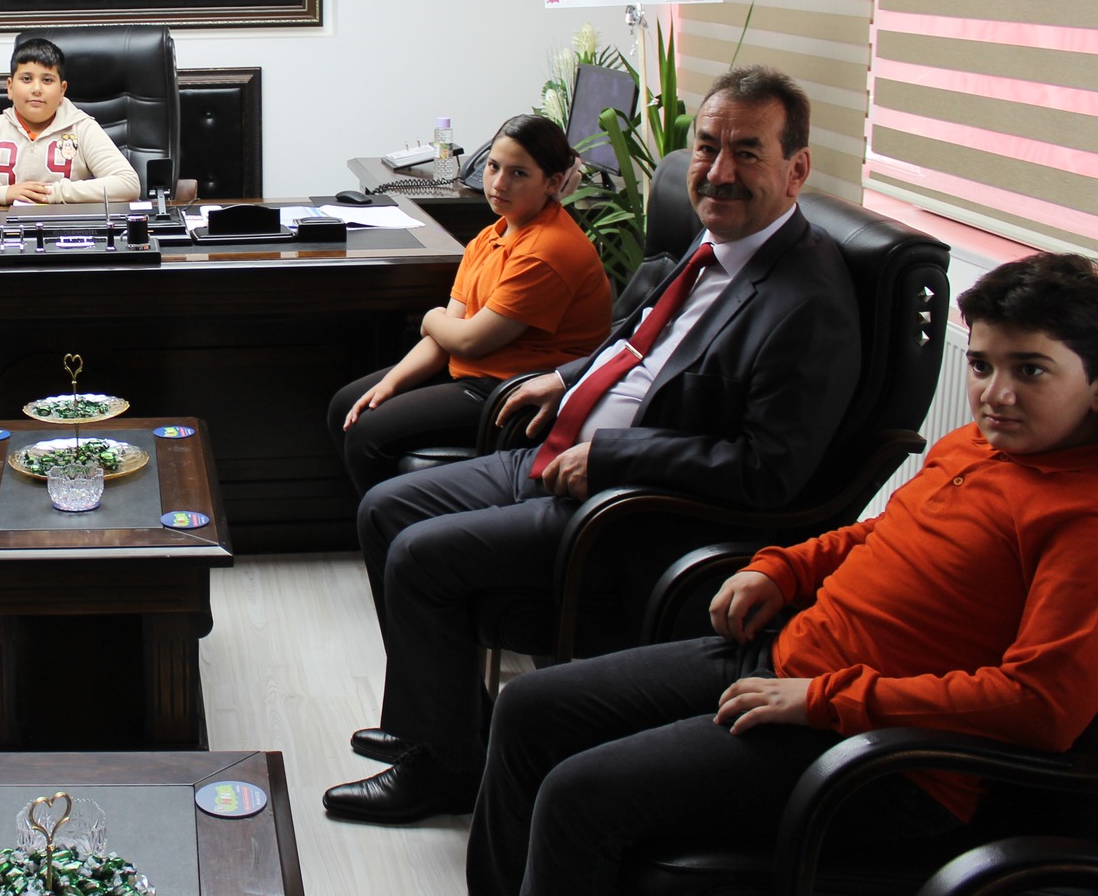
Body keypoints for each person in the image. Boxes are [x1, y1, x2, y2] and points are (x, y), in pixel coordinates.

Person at [465, 251, 1098, 896]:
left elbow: (1041, 706)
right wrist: (786, 569)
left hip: (886, 756)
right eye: (982, 365)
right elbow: (887, 533)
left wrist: (824, 700)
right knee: (528, 708)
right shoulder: (976, 446)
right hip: (788, 660)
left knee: (577, 796)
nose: (996, 395)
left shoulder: (1082, 519)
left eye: (1031, 370)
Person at [324, 65, 861, 824]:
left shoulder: (805, 300)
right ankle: (446, 724)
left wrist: (611, 457)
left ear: (796, 168)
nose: (718, 171)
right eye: (708, 147)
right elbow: (637, 346)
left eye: (747, 152)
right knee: (385, 508)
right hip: (563, 447)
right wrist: (564, 376)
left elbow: (768, 470)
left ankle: (442, 768)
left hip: (626, 502)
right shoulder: (710, 249)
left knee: (418, 553)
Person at [328, 113, 610, 492]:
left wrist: (430, 318)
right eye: (493, 167)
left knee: (368, 433)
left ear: (554, 183)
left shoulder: (547, 251)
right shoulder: (491, 236)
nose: (498, 183)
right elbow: (447, 338)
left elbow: (468, 340)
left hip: (510, 388)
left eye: (518, 173)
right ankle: (374, 515)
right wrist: (391, 384)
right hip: (472, 370)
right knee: (346, 405)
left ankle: (389, 520)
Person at [0, 36, 141, 206]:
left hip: (64, 230)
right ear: (10, 87)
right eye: (26, 79)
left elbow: (128, 184)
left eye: (47, 80)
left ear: (62, 90)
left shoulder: (81, 127)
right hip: (0, 232)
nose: (36, 89)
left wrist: (54, 193)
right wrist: (3, 193)